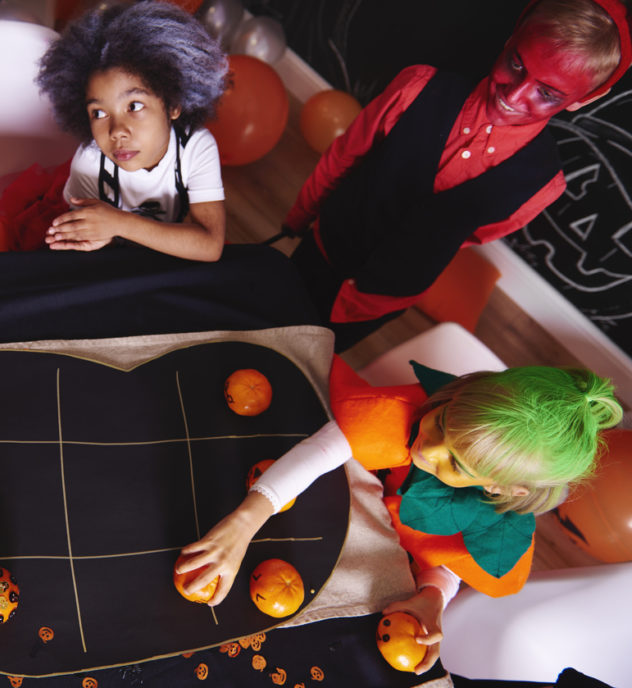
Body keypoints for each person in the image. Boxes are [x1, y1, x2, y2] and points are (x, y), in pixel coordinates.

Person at [177, 357, 622, 674]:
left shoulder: (499, 525)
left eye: (458, 465)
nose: (428, 448)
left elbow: (450, 556)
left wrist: (433, 594)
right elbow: (322, 451)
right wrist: (244, 522)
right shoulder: (400, 416)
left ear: (500, 489)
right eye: (443, 423)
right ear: (460, 392)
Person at [281, 0, 632, 351]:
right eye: (516, 64)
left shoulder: (543, 186)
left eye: (546, 93)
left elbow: (472, 235)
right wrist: (300, 215)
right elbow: (345, 154)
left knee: (312, 359)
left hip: (378, 301)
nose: (514, 94)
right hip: (325, 248)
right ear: (511, 39)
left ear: (580, 101)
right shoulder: (418, 86)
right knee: (268, 317)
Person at [36, 1, 228, 261]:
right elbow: (85, 251)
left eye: (134, 106)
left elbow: (210, 245)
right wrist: (105, 234)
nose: (117, 131)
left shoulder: (196, 147)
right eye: (99, 113)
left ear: (172, 105)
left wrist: (119, 224)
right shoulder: (91, 161)